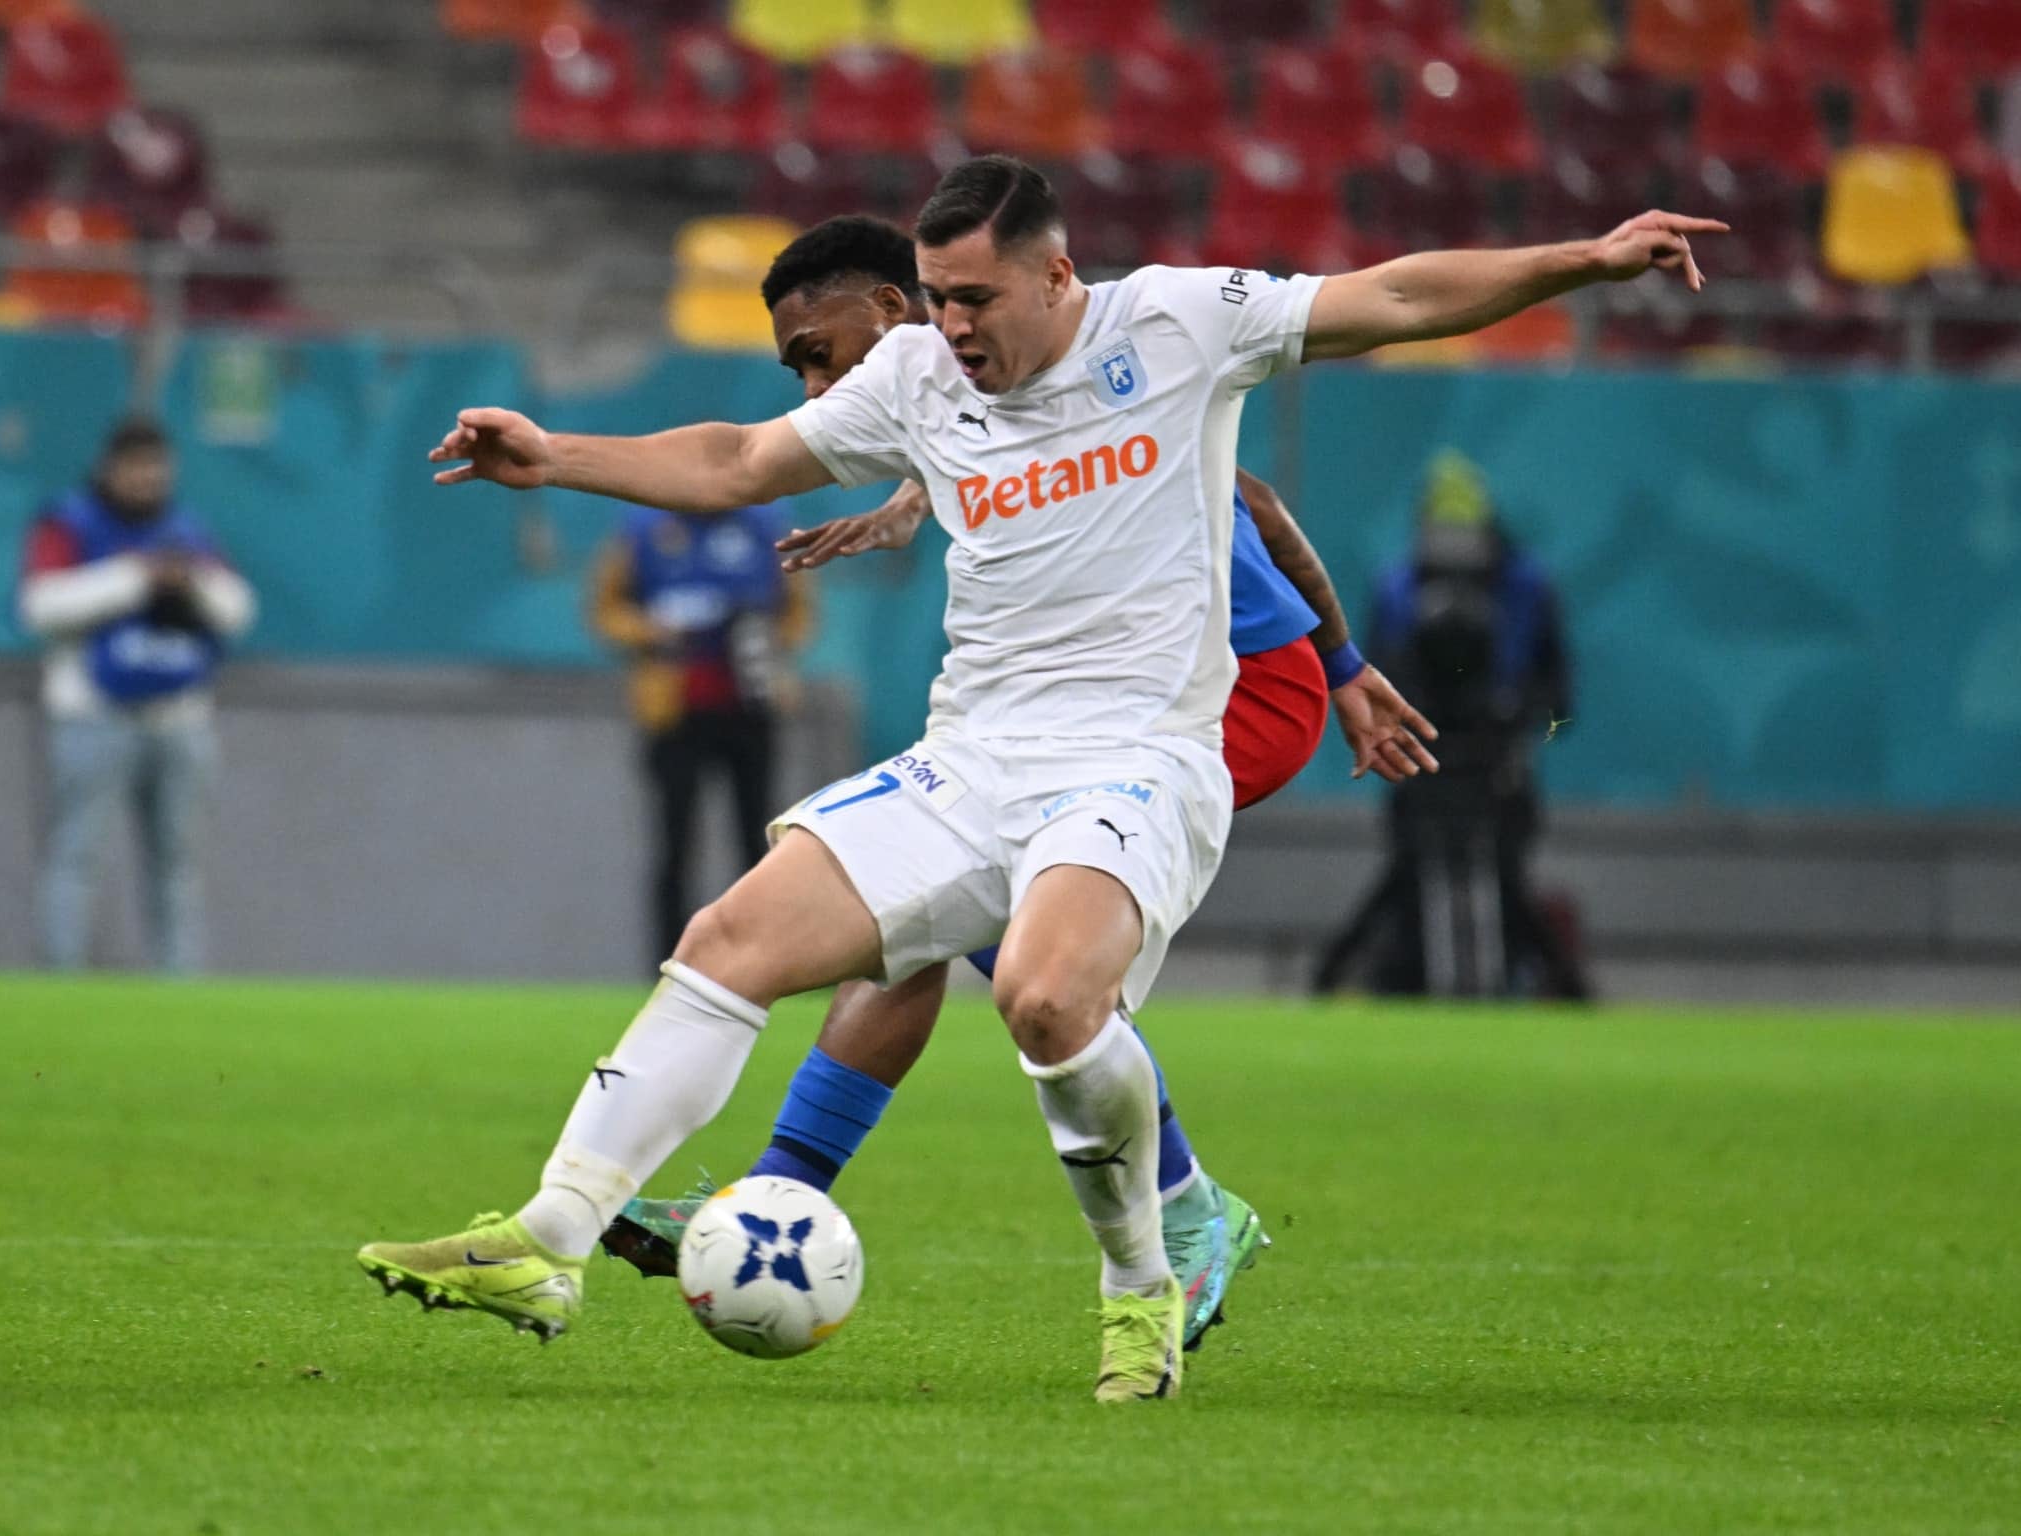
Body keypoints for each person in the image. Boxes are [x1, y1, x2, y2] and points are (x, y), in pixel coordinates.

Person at [360, 155, 1721, 1402]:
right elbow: (733, 460)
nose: (951, 330)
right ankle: (549, 1241)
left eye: (973, 299)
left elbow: (1401, 293)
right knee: (728, 941)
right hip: (972, 759)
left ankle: (1143, 1285)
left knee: (1044, 994)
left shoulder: (1182, 323)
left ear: (1058, 277)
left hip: (1141, 756)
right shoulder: (914, 381)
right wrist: (555, 458)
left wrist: (1584, 262)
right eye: (937, 301)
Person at [595, 214, 1440, 1357]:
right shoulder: (960, 409)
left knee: (989, 909)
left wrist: (1339, 668)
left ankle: (1187, 1209)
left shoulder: (1097, 373)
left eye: (817, 353)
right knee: (926, 915)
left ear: (905, 313)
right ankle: (776, 1192)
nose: (811, 382)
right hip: (1107, 715)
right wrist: (908, 497)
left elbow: (1259, 507)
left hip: (1236, 696)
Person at [1312, 452, 1590, 999]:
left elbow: (1560, 696)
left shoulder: (1527, 586)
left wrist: (1523, 718)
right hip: (1425, 758)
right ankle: (1387, 979)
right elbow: (1377, 678)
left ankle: (1549, 984)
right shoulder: (1398, 587)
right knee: (1411, 872)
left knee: (1504, 878)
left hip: (1499, 763)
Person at [16, 417, 256, 975]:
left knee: (177, 862)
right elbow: (39, 606)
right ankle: (61, 980)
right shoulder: (70, 523)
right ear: (111, 468)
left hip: (178, 718)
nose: (149, 480)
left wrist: (186, 581)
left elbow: (239, 609)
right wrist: (133, 579)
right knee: (76, 853)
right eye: (137, 468)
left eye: (158, 470)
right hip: (93, 714)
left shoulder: (186, 532)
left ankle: (177, 985)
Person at [589, 499, 812, 963]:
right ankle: (669, 963)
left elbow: (799, 611)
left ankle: (762, 959)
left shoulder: (765, 529)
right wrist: (651, 630)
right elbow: (606, 610)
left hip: (750, 706)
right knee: (675, 842)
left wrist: (762, 643)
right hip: (674, 709)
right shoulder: (646, 530)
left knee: (758, 839)